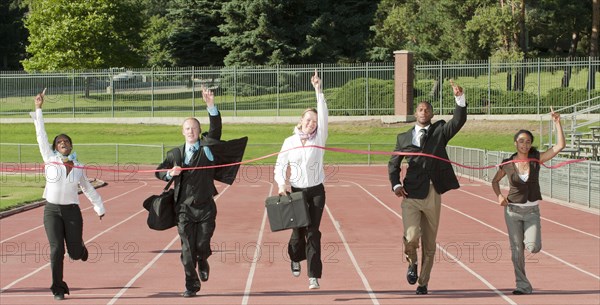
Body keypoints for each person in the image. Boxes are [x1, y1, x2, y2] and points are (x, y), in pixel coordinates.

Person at [155, 87, 247, 298]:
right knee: (187, 251)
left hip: (206, 207)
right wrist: (170, 173)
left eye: (194, 128)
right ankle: (191, 285)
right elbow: (159, 172)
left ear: (199, 131)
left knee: (202, 244)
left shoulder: (207, 147)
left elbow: (215, 130)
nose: (191, 131)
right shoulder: (175, 153)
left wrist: (211, 106)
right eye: (187, 128)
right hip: (183, 209)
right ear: (182, 132)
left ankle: (204, 259)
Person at [388, 80, 467, 295]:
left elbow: (458, 121)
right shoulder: (403, 137)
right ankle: (411, 263)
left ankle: (423, 282)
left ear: (431, 114)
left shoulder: (440, 130)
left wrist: (459, 99)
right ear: (415, 113)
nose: (424, 111)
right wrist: (396, 184)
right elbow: (393, 164)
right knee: (412, 236)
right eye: (420, 109)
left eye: (427, 109)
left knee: (430, 244)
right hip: (411, 193)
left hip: (433, 193)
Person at [31, 89, 106, 301]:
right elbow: (41, 135)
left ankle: (80, 250)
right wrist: (38, 109)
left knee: (73, 253)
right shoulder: (49, 159)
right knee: (56, 250)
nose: (63, 143)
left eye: (66, 141)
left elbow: (88, 188)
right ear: (55, 147)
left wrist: (99, 207)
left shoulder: (80, 166)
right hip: (52, 211)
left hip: (72, 212)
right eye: (59, 142)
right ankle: (58, 287)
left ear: (71, 145)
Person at [491, 108, 565, 295]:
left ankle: (528, 241)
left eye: (528, 141)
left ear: (531, 144)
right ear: (515, 143)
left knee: (533, 247)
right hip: (512, 211)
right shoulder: (507, 164)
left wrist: (557, 123)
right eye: (521, 141)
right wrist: (499, 196)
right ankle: (522, 285)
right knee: (517, 252)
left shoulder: (536, 159)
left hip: (532, 212)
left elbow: (559, 146)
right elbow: (495, 181)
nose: (525, 144)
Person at [274, 69, 328, 290]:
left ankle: (313, 275)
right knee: (298, 232)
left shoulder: (321, 137)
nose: (312, 124)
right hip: (296, 191)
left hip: (316, 191)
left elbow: (323, 115)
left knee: (313, 232)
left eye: (314, 121)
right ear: (301, 120)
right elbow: (280, 165)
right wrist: (281, 184)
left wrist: (318, 90)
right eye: (308, 120)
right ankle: (295, 257)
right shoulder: (289, 141)